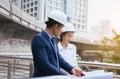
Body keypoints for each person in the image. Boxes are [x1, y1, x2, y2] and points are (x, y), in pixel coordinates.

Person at [31, 10, 85, 77]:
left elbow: (59, 59)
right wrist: (65, 75)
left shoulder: (53, 41)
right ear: (56, 27)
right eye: (61, 27)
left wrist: (72, 69)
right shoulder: (39, 39)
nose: (61, 31)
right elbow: (44, 65)